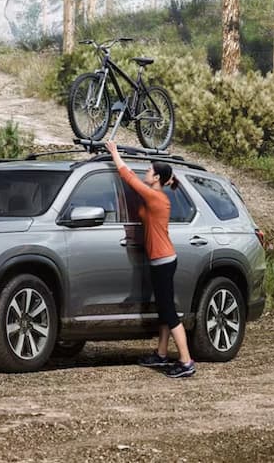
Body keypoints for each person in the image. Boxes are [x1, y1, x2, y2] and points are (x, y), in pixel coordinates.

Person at [104, 141, 195, 379]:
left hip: (163, 260)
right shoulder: (156, 195)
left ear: (156, 178)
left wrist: (114, 153)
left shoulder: (156, 197)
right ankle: (162, 354)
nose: (146, 173)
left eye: (149, 170)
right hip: (161, 260)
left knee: (169, 313)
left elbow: (128, 177)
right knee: (164, 311)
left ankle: (186, 361)